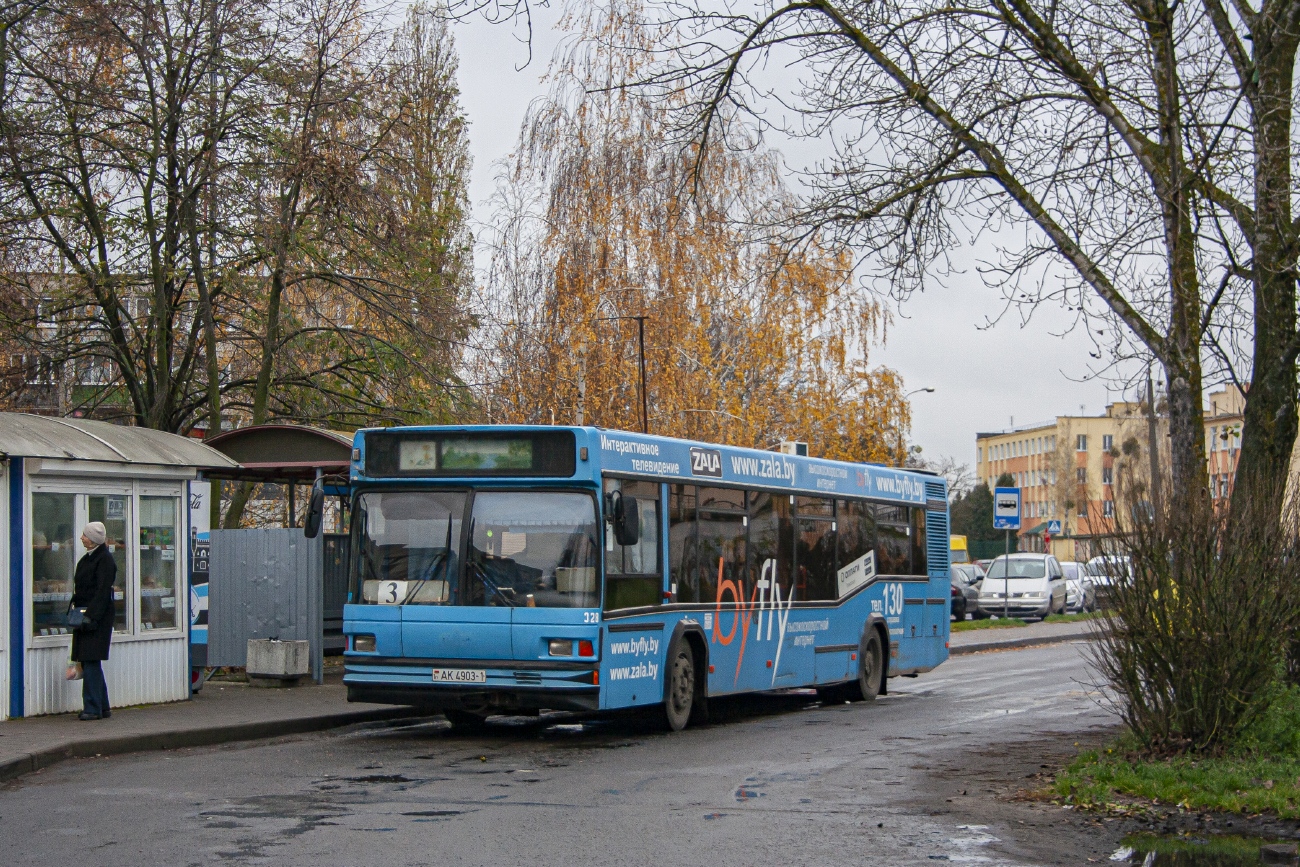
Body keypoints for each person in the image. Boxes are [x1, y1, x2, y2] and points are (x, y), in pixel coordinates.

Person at [71, 521, 116, 720]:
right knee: (91, 660)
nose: (82, 538)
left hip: (96, 618)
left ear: (94, 539)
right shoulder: (89, 558)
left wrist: (91, 616)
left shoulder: (104, 560)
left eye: (85, 535)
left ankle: (92, 707)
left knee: (90, 660)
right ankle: (102, 706)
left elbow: (102, 591)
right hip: (85, 615)